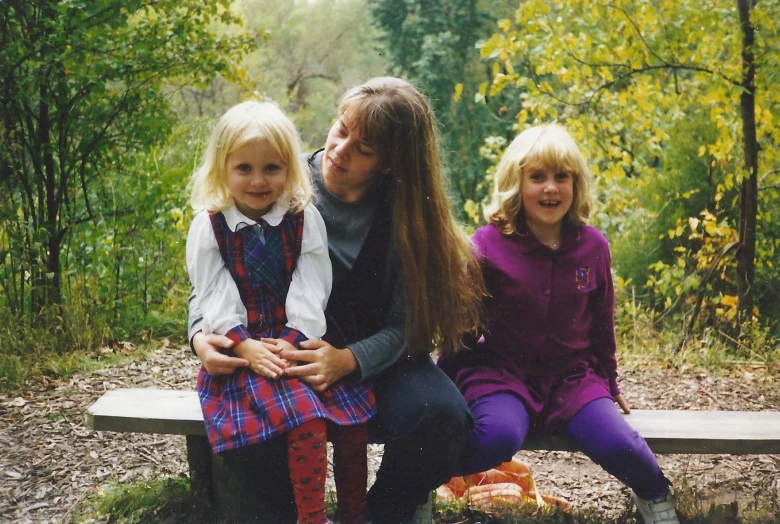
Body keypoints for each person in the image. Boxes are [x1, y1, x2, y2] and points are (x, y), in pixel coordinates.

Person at [189, 78, 484, 524]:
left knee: (440, 419)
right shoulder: (275, 176)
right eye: (341, 128)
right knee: (261, 433)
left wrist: (348, 360)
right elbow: (213, 267)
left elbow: (408, 323)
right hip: (280, 350)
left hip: (376, 357)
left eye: (364, 149)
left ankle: (378, 515)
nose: (340, 149)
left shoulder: (407, 216)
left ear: (391, 164)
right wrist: (200, 337)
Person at [438, 124, 680, 524]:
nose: (550, 188)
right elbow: (463, 327)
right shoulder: (487, 244)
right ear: (516, 184)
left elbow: (602, 323)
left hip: (572, 376)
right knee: (495, 436)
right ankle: (415, 487)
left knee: (621, 444)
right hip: (502, 372)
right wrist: (442, 381)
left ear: (575, 184)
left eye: (560, 177)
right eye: (537, 177)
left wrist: (610, 380)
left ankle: (655, 497)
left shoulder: (593, 246)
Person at [186, 100, 375, 524]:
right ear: (223, 169)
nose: (258, 181)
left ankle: (354, 513)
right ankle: (312, 518)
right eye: (244, 169)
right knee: (307, 420)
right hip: (243, 352)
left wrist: (294, 338)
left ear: (289, 168)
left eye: (272, 168)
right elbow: (211, 292)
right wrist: (243, 343)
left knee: (351, 421)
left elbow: (312, 283)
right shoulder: (211, 224)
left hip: (294, 339)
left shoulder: (302, 217)